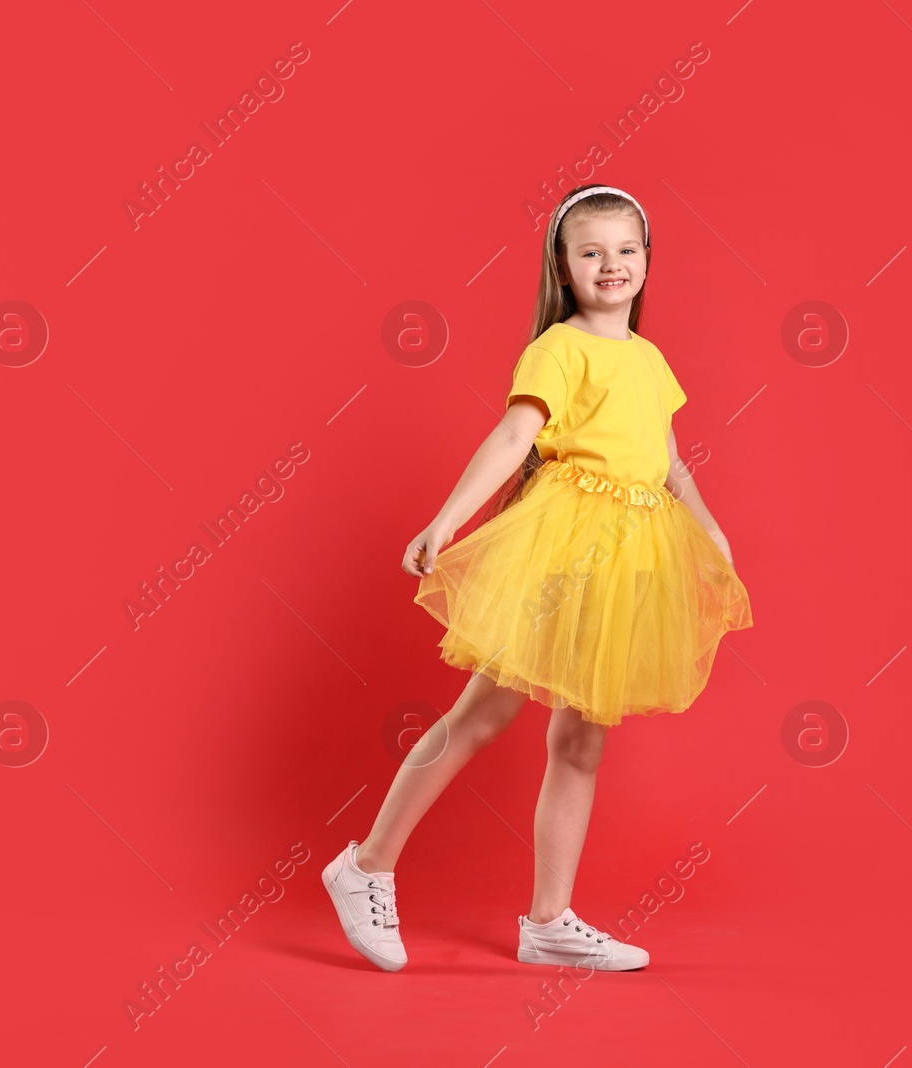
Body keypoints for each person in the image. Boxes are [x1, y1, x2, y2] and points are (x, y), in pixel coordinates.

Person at [322, 184, 752, 974]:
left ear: (648, 261)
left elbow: (667, 461)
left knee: (581, 740)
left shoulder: (650, 361)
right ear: (562, 265)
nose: (611, 264)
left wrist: (711, 528)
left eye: (625, 250)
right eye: (591, 251)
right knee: (481, 716)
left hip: (628, 559)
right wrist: (448, 519)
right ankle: (366, 865)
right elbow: (514, 431)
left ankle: (549, 921)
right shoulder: (559, 347)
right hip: (563, 550)